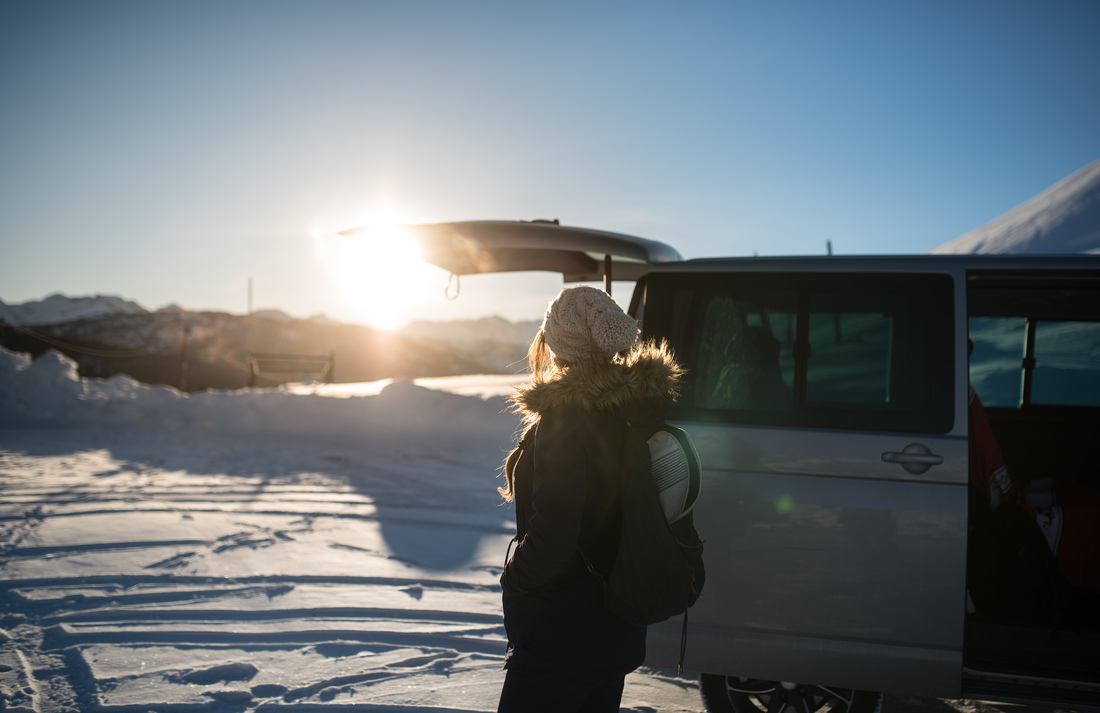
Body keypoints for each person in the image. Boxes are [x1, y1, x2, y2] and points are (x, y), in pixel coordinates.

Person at [496, 285, 684, 713]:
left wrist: (516, 581)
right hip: (613, 624)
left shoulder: (568, 419)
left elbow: (556, 532)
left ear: (559, 345)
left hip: (563, 631)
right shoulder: (630, 412)